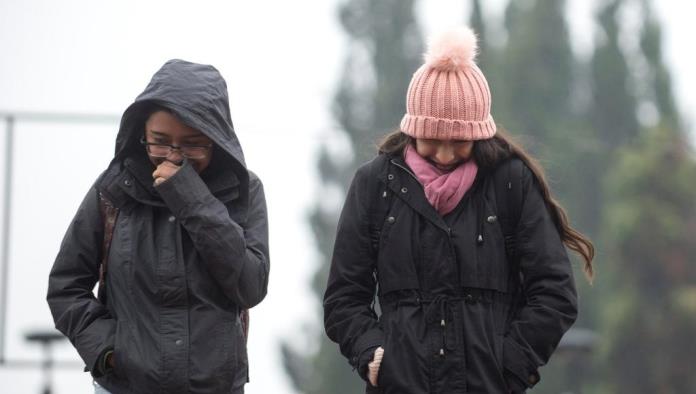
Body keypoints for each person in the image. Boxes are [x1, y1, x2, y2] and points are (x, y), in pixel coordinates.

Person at [323, 27, 594, 394]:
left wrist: (512, 366)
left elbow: (555, 292)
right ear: (412, 130)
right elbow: (344, 297)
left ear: (480, 133)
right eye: (433, 141)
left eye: (460, 142)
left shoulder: (510, 182)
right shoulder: (374, 185)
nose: (446, 155)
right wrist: (371, 354)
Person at [47, 59, 270, 394]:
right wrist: (108, 351)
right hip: (124, 387)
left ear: (217, 137)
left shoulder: (245, 190)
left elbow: (250, 286)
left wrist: (191, 198)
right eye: (160, 140)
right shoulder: (113, 190)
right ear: (141, 134)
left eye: (193, 143)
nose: (173, 156)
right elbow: (65, 287)